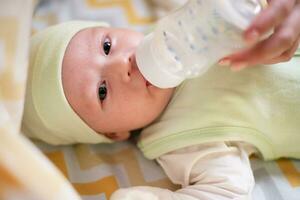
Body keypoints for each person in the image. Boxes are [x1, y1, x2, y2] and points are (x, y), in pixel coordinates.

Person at [22, 1, 300, 199]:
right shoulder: (178, 141)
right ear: (113, 133)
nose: (122, 63)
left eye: (107, 46)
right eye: (102, 91)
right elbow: (228, 191)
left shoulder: (178, 26)